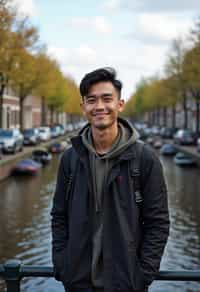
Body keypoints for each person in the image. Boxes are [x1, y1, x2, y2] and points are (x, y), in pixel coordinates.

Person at [51, 67, 170, 292]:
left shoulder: (144, 159)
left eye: (107, 99)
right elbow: (59, 215)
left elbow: (158, 222)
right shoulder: (70, 158)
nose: (99, 107)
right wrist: (63, 265)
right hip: (77, 283)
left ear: (120, 104)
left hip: (125, 284)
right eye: (91, 100)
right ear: (83, 107)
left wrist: (141, 276)